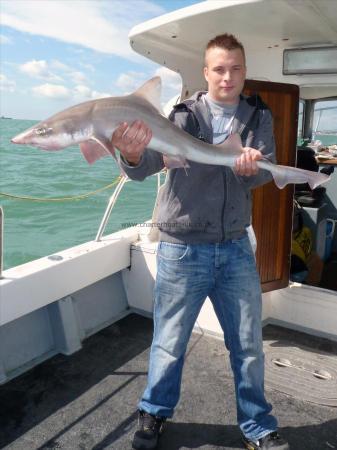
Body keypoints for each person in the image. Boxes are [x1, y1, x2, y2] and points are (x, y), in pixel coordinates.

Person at [111, 34, 289, 450]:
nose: (228, 77)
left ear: (244, 71)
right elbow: (142, 169)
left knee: (248, 345)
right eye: (219, 69)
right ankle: (154, 412)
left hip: (234, 246)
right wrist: (132, 154)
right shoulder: (181, 114)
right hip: (182, 245)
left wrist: (252, 170)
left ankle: (258, 426)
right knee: (169, 342)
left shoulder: (258, 114)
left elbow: (266, 171)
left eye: (236, 69)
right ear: (205, 73)